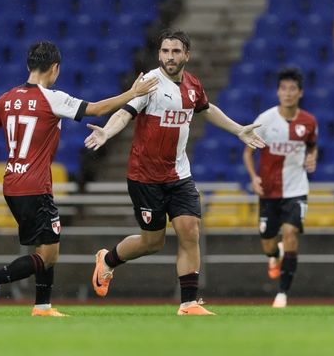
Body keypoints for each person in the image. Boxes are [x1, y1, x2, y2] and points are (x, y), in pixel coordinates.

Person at [0, 41, 158, 317]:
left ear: (29, 65)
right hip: (34, 185)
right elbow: (98, 109)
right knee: (49, 254)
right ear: (54, 68)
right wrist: (132, 92)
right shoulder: (50, 98)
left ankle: (42, 306)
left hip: (12, 183)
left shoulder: (7, 99)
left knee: (46, 246)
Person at [85, 29, 266, 315]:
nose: (170, 57)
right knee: (151, 242)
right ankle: (107, 260)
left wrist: (238, 129)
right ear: (159, 55)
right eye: (166, 51)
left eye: (176, 51)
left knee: (190, 230)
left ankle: (189, 303)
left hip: (179, 175)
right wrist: (107, 132)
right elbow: (125, 112)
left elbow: (206, 108)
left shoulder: (193, 84)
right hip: (145, 177)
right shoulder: (149, 82)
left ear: (186, 55)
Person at [242, 68, 317, 308]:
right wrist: (254, 178)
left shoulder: (309, 122)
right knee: (267, 241)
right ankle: (274, 257)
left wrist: (312, 157)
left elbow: (312, 146)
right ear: (278, 92)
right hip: (269, 191)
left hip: (296, 190)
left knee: (291, 233)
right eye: (283, 89)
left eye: (292, 89)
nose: (287, 93)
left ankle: (282, 294)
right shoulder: (265, 120)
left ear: (300, 93)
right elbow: (247, 152)